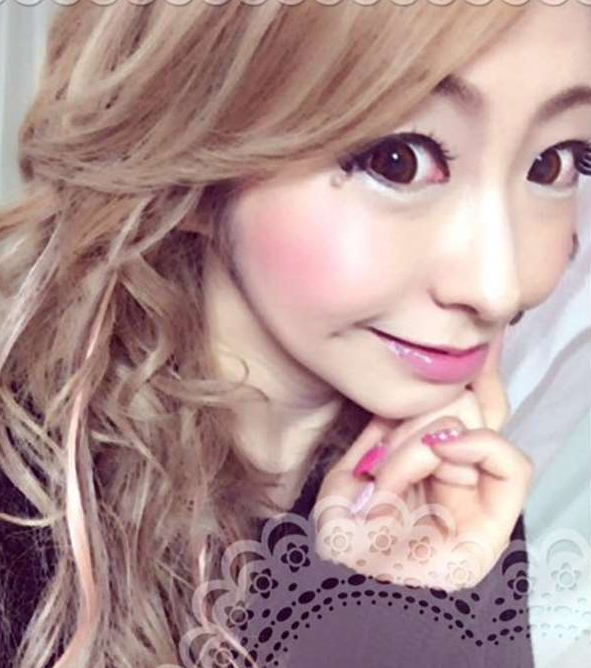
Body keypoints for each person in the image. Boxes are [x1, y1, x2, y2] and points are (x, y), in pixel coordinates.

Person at [0, 1, 589, 667]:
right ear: (187, 163)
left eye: (555, 164)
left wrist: (395, 600)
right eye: (398, 161)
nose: (498, 287)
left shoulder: (443, 492)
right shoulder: (22, 508)